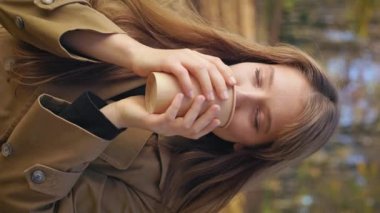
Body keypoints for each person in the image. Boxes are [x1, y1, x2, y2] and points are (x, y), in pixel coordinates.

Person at [0, 0, 339, 212]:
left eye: (258, 117)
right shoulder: (167, 20)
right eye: (259, 78)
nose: (241, 93)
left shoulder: (165, 195)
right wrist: (136, 54)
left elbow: (15, 201)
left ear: (247, 148)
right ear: (254, 59)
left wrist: (113, 117)